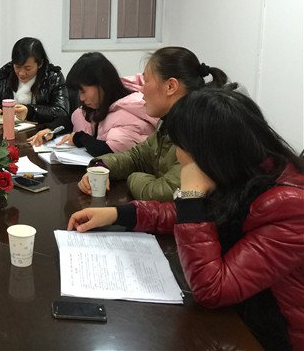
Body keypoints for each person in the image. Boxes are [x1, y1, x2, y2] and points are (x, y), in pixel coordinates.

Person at [68, 88, 304, 350]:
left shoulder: (289, 206)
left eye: (181, 146)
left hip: (270, 336)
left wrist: (191, 196)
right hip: (237, 316)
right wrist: (117, 214)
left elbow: (212, 289)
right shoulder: (242, 170)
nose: (178, 156)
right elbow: (188, 215)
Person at [77, 46, 229, 201]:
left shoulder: (197, 130)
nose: (141, 90)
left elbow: (164, 193)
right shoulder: (167, 123)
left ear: (171, 86)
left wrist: (133, 178)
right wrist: (101, 167)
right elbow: (137, 157)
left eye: (146, 81)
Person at [29, 52, 158, 156]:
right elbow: (74, 118)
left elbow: (110, 151)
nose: (81, 98)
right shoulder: (100, 104)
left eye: (83, 91)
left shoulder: (131, 113)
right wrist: (51, 130)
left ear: (101, 84)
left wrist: (80, 138)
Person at [0, 37, 70, 123]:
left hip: (40, 134)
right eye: (17, 67)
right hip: (5, 132)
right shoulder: (5, 74)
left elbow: (62, 112)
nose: (21, 73)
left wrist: (30, 111)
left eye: (28, 68)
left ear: (40, 64)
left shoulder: (53, 77)